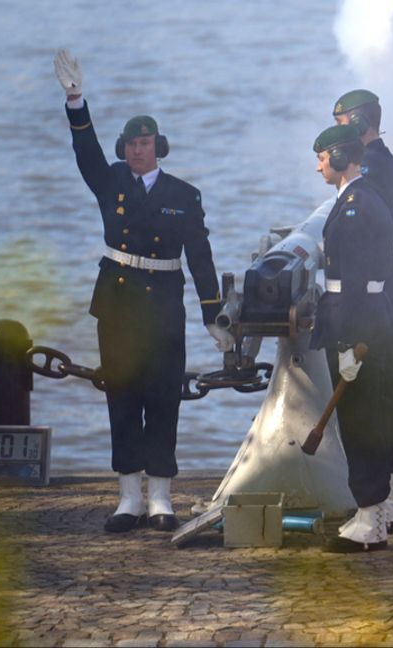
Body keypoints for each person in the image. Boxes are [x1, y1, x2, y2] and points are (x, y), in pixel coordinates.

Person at [53, 50, 233, 533]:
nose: (137, 150)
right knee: (123, 396)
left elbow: (200, 256)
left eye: (146, 142)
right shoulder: (109, 181)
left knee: (164, 396)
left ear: (160, 146)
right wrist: (75, 100)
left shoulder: (183, 194)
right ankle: (128, 498)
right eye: (131, 143)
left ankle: (160, 498)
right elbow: (84, 151)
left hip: (163, 305)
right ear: (123, 148)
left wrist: (213, 314)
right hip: (117, 304)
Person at [309, 124, 393, 553]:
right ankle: (372, 515)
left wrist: (348, 345)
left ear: (341, 159)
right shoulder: (359, 199)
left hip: (357, 322)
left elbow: (359, 283)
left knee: (362, 422)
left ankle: (370, 520)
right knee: (366, 419)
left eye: (323, 158)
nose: (318, 166)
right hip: (366, 319)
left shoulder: (355, 206)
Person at [332, 90, 393, 532]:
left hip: (377, 288)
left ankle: (384, 498)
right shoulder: (385, 162)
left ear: (357, 124)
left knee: (376, 393)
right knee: (389, 391)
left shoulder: (369, 169)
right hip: (392, 282)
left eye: (340, 122)